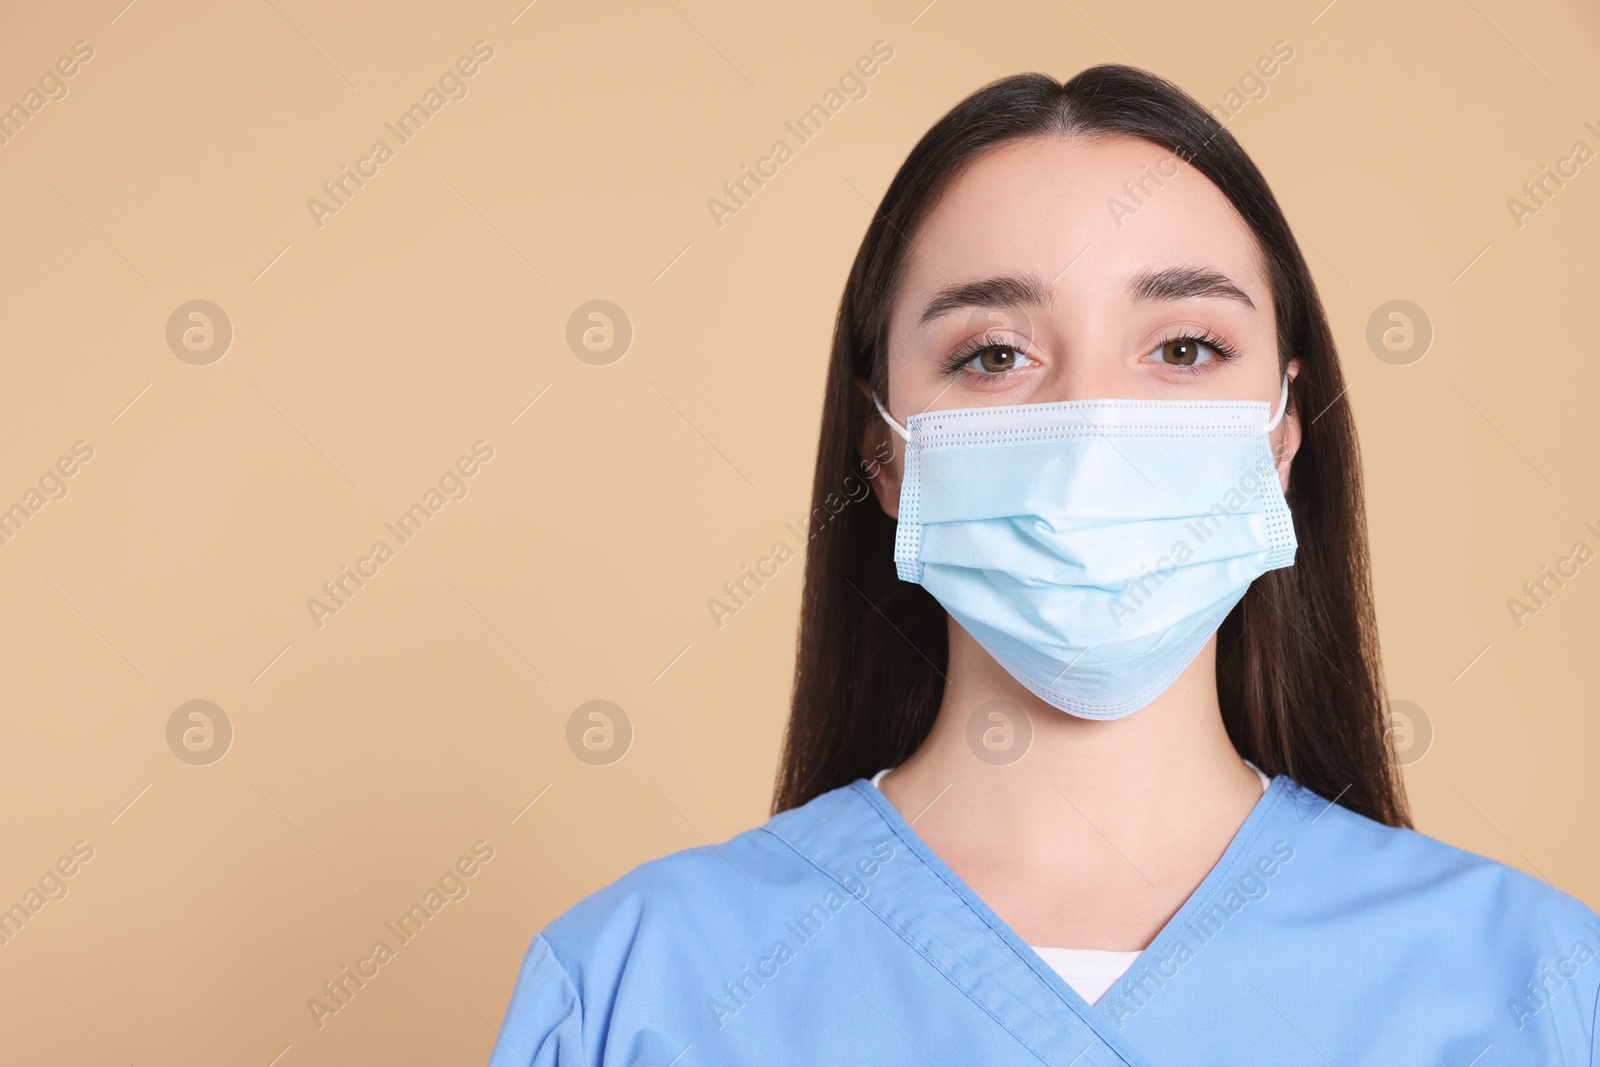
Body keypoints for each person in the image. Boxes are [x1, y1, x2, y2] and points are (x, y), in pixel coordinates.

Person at [488, 65, 1600, 1065]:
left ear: (1280, 429)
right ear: (884, 448)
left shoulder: (1537, 985)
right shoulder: (635, 993)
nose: (1092, 426)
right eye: (994, 355)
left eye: (1182, 348)